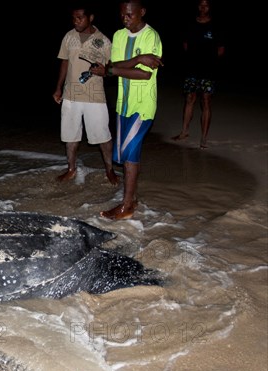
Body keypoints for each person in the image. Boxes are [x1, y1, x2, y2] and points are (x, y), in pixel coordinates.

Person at [89, 0, 163, 220]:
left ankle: (127, 205)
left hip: (143, 106)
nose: (126, 18)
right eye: (122, 15)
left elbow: (145, 74)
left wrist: (115, 69)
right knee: (127, 154)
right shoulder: (119, 35)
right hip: (124, 104)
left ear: (142, 12)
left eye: (130, 14)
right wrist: (139, 59)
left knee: (129, 153)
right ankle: (134, 198)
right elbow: (113, 64)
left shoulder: (152, 37)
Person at [52, 2, 119, 185]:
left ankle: (110, 170)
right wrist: (58, 88)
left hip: (94, 95)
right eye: (73, 18)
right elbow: (64, 62)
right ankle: (71, 169)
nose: (76, 21)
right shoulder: (69, 36)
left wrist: (105, 71)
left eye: (80, 17)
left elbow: (114, 65)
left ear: (90, 18)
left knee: (103, 136)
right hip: (71, 94)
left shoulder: (103, 40)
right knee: (70, 136)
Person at [171, 0, 225, 149]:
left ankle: (204, 138)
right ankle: (184, 132)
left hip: (208, 70)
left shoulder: (216, 26)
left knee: (206, 100)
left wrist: (209, 62)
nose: (203, 7)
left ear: (210, 7)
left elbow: (221, 49)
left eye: (206, 4)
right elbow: (185, 45)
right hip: (192, 69)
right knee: (189, 98)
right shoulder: (190, 24)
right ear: (197, 6)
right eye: (200, 4)